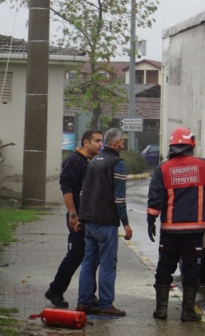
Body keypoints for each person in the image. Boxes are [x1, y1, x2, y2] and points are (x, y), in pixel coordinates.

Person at [147, 127, 205, 321]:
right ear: (191, 145)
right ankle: (188, 312)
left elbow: (155, 200)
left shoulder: (163, 169)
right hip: (194, 231)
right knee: (191, 269)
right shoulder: (203, 166)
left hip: (170, 230)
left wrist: (151, 221)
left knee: (165, 267)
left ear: (171, 146)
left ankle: (161, 310)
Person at [74, 128, 133, 317]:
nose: (123, 145)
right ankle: (106, 304)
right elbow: (119, 198)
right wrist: (126, 223)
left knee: (88, 262)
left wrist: (82, 218)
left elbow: (85, 193)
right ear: (115, 144)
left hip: (90, 222)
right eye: (122, 142)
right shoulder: (117, 163)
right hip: (106, 223)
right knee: (108, 264)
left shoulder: (93, 162)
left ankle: (83, 303)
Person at [45, 130, 103, 308]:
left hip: (90, 217)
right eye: (97, 141)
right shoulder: (74, 160)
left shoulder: (92, 161)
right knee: (76, 254)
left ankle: (89, 295)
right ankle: (55, 290)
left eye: (102, 141)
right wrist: (72, 213)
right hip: (77, 216)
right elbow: (66, 187)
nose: (101, 144)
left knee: (92, 256)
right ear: (86, 142)